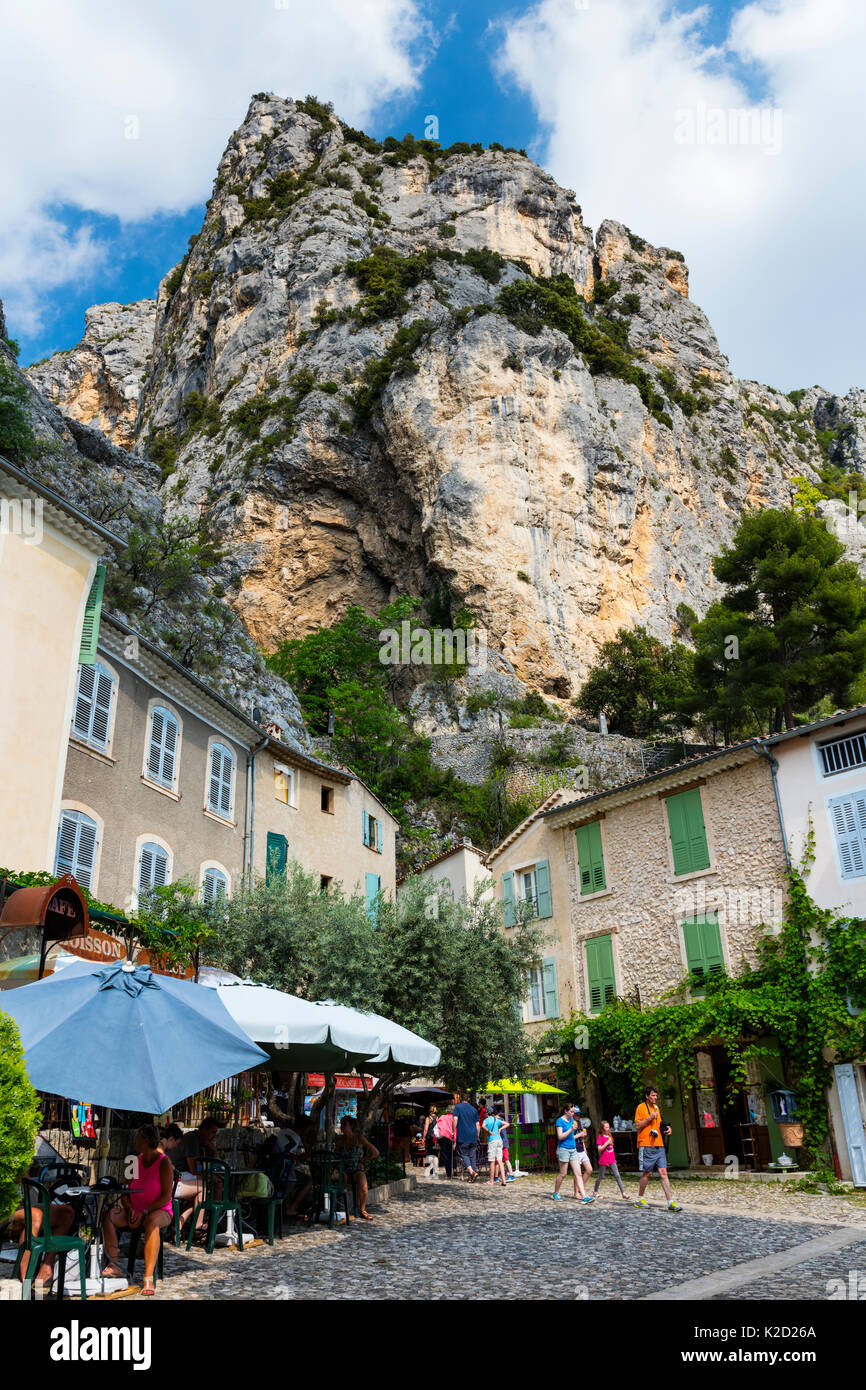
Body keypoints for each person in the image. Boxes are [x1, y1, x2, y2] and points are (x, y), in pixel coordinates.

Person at [102, 1125, 174, 1295]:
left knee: (152, 1222)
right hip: (134, 1210)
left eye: (138, 1138)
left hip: (159, 1210)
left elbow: (166, 1196)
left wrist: (146, 1211)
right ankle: (114, 1264)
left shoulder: (164, 1162)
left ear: (146, 1140)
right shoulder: (133, 1161)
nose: (135, 1141)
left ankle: (148, 1278)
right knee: (107, 1216)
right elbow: (125, 1190)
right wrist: (130, 1208)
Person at [7, 1165, 75, 1287]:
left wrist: (19, 1173)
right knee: (35, 1215)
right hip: (4, 1210)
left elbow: (29, 1183)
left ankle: (47, 1266)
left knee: (66, 1213)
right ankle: (24, 1279)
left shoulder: (16, 1153)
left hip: (22, 1206)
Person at [633, 1087, 683, 1212]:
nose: (655, 1097)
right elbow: (637, 1126)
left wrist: (667, 1128)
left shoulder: (656, 1108)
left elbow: (660, 1124)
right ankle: (639, 1199)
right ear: (647, 1096)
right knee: (647, 1173)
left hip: (659, 1144)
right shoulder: (641, 1107)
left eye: (656, 1095)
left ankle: (670, 1202)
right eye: (653, 1095)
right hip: (646, 1144)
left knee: (663, 1172)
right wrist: (649, 1118)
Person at [170, 1115, 222, 1234]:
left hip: (183, 1176)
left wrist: (213, 1151)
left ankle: (180, 1225)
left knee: (202, 1192)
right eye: (212, 1132)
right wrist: (210, 1176)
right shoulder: (192, 1139)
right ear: (203, 1129)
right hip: (177, 1176)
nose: (213, 1136)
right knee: (207, 1186)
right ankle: (212, 1222)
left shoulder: (201, 1143)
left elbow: (212, 1165)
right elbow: (194, 1169)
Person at [335, 1115, 379, 1220]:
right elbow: (335, 1157)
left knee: (363, 1185)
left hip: (356, 1169)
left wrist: (363, 1160)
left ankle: (362, 1210)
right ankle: (332, 1208)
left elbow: (375, 1152)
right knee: (331, 1178)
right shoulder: (339, 1140)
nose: (341, 1126)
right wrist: (340, 1170)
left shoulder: (359, 1138)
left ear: (351, 1126)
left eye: (344, 1124)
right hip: (343, 1169)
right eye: (341, 1124)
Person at [552, 1103, 594, 1203]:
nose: (573, 1113)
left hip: (573, 1149)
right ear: (566, 1111)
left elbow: (572, 1136)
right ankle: (555, 1193)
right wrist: (571, 1129)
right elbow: (560, 1137)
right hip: (563, 1149)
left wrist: (580, 1135)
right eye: (571, 1111)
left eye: (573, 1112)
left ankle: (584, 1196)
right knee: (563, 1174)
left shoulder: (572, 1120)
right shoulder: (560, 1121)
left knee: (578, 1173)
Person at [594, 1121, 628, 1200]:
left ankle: (623, 1193)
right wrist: (606, 1143)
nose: (608, 1129)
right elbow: (599, 1149)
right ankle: (595, 1192)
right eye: (606, 1127)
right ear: (602, 1129)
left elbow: (611, 1147)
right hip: (604, 1159)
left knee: (617, 1175)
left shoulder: (610, 1136)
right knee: (600, 1176)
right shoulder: (600, 1137)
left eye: (608, 1127)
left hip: (612, 1159)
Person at [452, 1093, 480, 1182]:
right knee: (472, 1156)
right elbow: (478, 1124)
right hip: (473, 1136)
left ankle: (472, 1172)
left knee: (463, 1155)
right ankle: (471, 1177)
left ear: (460, 1099)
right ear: (468, 1099)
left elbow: (455, 1119)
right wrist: (478, 1136)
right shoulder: (474, 1110)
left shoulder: (458, 1107)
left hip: (463, 1136)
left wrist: (453, 1131)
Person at [482, 1105, 509, 1187]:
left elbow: (482, 1126)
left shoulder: (486, 1120)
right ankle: (504, 1180)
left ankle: (491, 1181)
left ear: (487, 1113)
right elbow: (507, 1124)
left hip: (492, 1141)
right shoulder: (496, 1120)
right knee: (500, 1160)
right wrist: (500, 1129)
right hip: (499, 1140)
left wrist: (489, 1131)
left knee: (492, 1161)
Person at [436, 1105, 456, 1178]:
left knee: (446, 1156)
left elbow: (438, 1127)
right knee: (452, 1155)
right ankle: (454, 1168)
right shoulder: (455, 1118)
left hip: (444, 1138)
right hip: (453, 1138)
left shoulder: (442, 1117)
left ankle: (448, 1174)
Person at [422, 1105, 440, 1179]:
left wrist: (423, 1138)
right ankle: (435, 1172)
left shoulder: (428, 1118)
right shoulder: (438, 1118)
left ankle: (429, 1171)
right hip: (435, 1138)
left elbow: (426, 1129)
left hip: (429, 1138)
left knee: (429, 1154)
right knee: (435, 1155)